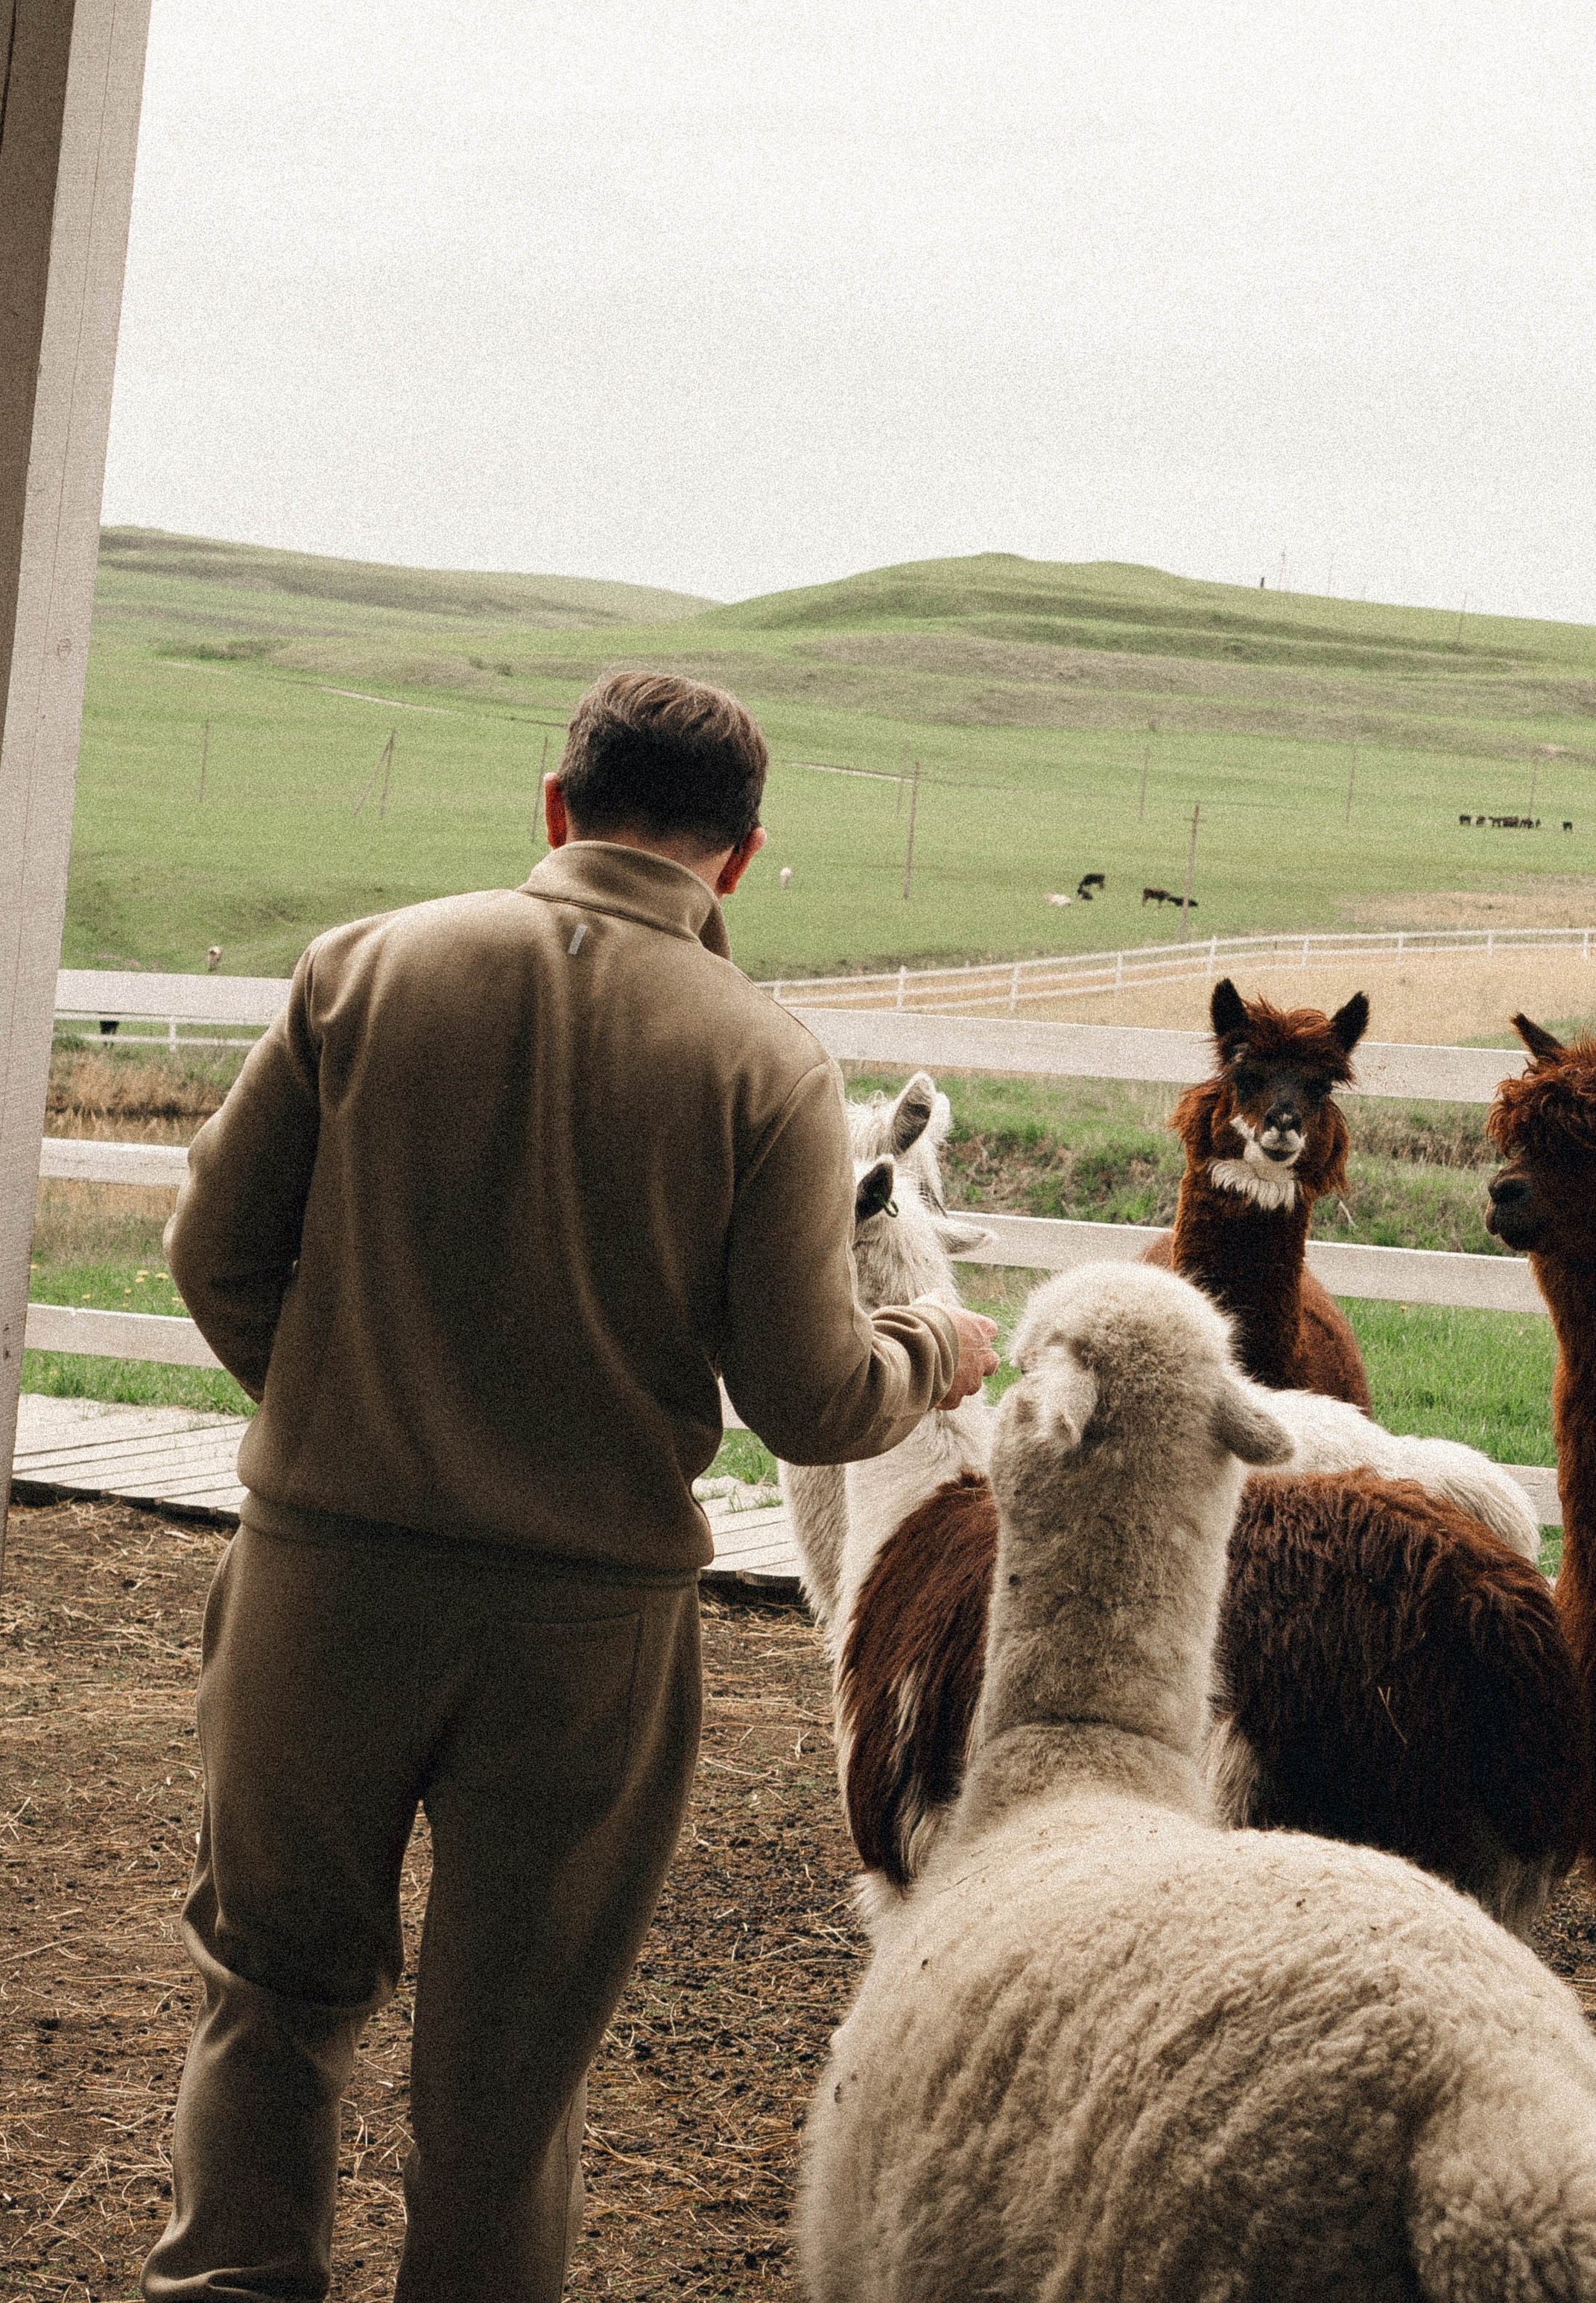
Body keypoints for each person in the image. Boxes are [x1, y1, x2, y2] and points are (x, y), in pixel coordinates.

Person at [142, 669, 996, 2303]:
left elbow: (212, 1250)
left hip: (322, 1584)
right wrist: (931, 1352)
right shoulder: (765, 1065)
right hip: (586, 1630)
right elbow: (812, 1401)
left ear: (555, 804)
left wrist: (340, 1421)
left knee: (268, 1996)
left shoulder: (362, 969)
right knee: (508, 2080)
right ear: (738, 859)